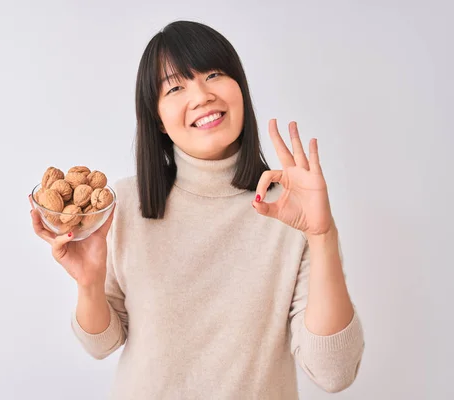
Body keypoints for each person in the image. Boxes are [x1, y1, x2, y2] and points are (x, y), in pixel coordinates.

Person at [30, 20, 364, 400]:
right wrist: (89, 285)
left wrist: (322, 236)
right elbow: (101, 344)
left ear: (240, 87)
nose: (202, 95)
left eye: (214, 74)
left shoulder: (290, 211)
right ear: (157, 118)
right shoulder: (122, 205)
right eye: (175, 87)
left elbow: (333, 373)